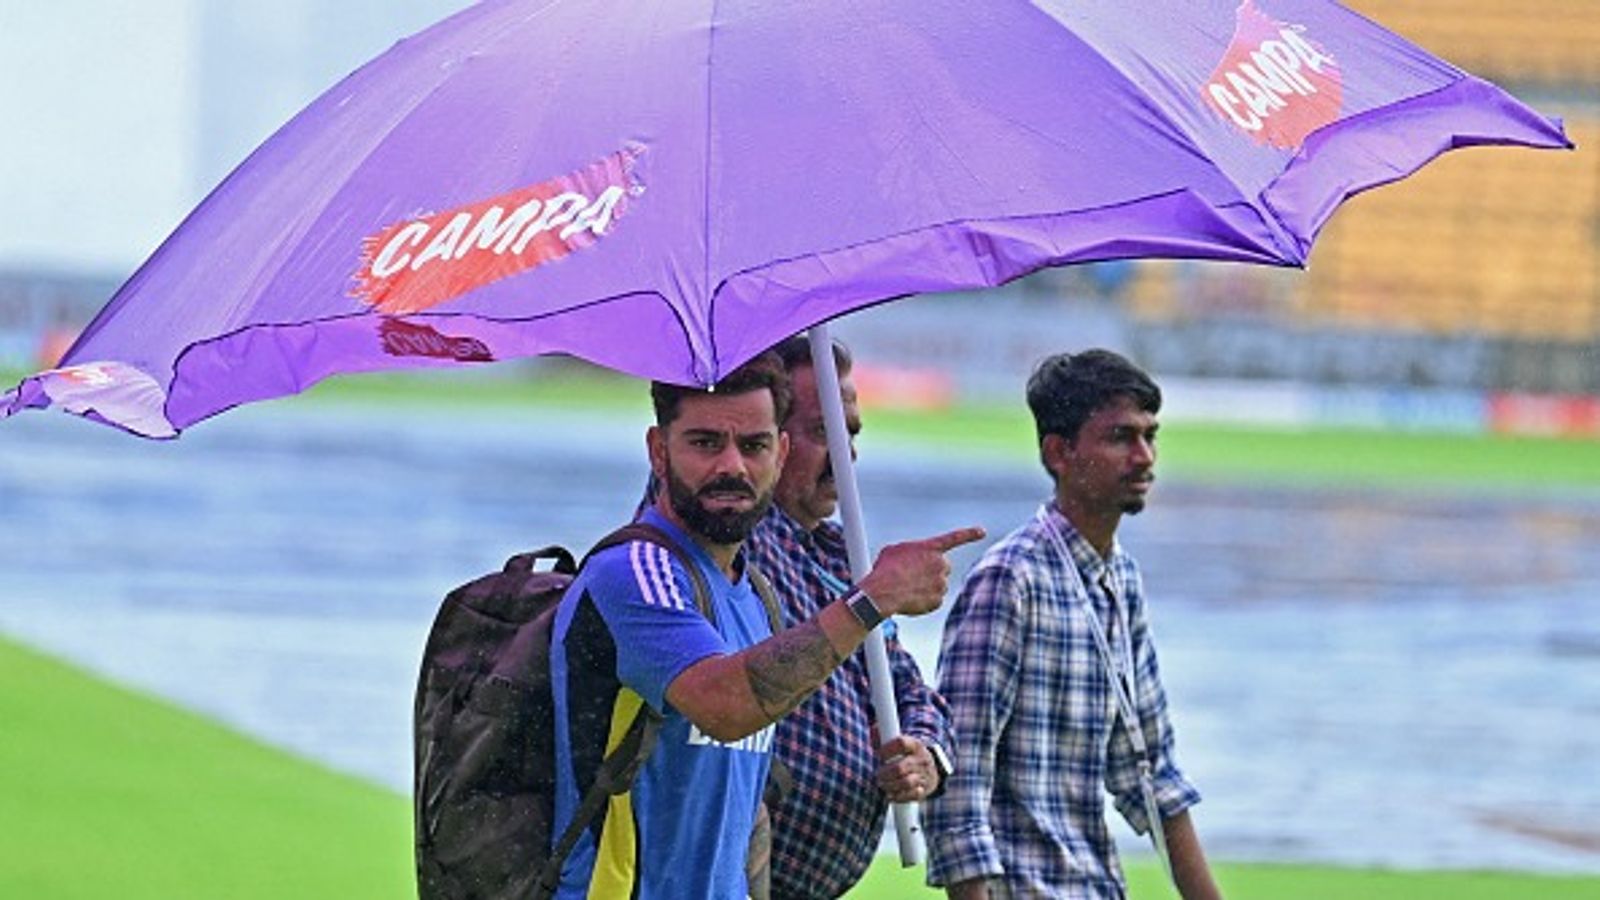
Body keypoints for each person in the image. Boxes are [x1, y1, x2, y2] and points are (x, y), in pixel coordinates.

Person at [550, 351, 984, 899]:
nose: (731, 466)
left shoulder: (756, 591)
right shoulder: (637, 570)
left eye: (753, 445)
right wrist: (874, 598)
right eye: (705, 442)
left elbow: (747, 805)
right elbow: (727, 705)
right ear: (658, 452)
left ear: (777, 452)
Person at [925, 349, 1222, 900]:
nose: (1144, 457)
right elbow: (958, 783)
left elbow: (1152, 775)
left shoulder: (1121, 580)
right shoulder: (1009, 580)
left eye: (1150, 436)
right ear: (1058, 452)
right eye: (1120, 437)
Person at [748, 335, 955, 899]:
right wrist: (874, 599)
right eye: (825, 433)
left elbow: (911, 691)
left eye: (851, 434)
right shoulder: (729, 541)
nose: (847, 456)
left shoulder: (846, 553)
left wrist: (924, 754)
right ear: (768, 441)